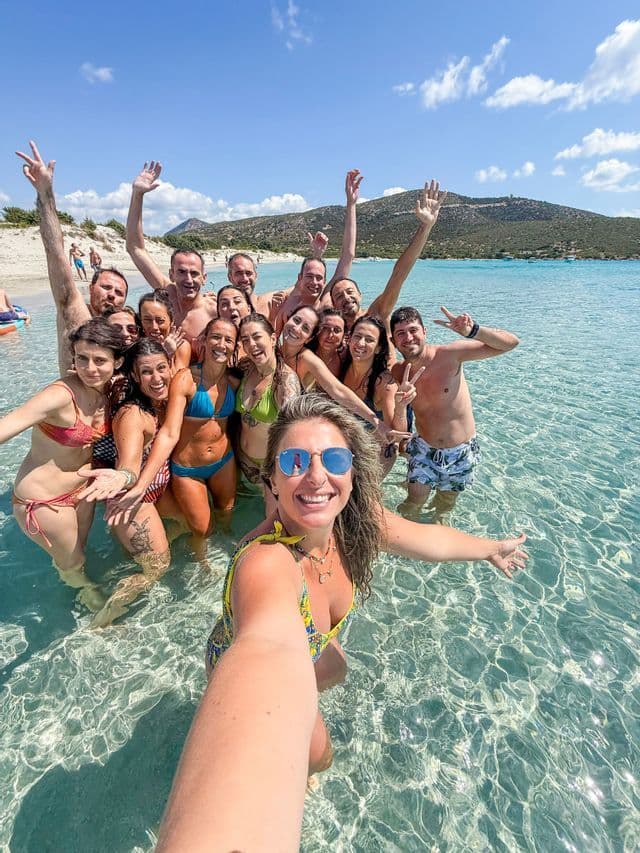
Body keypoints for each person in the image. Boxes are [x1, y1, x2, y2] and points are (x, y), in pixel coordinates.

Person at [156, 395, 528, 851]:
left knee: (334, 672)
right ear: (271, 478)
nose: (316, 476)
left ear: (353, 472)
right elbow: (266, 647)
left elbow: (429, 540)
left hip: (312, 646)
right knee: (319, 753)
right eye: (294, 461)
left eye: (333, 459)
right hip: (236, 653)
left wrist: (489, 547)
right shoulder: (268, 563)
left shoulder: (355, 524)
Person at [0, 318, 125, 609]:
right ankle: (97, 613)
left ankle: (75, 597)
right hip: (44, 500)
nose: (90, 368)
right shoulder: (59, 396)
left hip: (82, 492)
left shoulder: (109, 389)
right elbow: (8, 426)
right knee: (73, 563)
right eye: (82, 358)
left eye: (99, 360)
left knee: (79, 555)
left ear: (117, 362)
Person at [108, 318, 240, 549]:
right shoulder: (184, 379)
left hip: (224, 462)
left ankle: (226, 553)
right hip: (188, 470)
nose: (221, 344)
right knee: (201, 529)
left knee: (226, 514)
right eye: (215, 337)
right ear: (203, 341)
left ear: (235, 346)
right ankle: (202, 566)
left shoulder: (234, 381)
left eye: (228, 340)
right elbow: (169, 433)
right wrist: (139, 486)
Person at [78, 339, 183, 627]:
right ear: (135, 376)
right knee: (157, 568)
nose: (157, 378)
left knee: (182, 527)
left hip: (149, 495)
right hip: (132, 500)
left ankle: (127, 556)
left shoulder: (155, 403)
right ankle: (103, 620)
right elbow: (129, 465)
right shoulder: (133, 415)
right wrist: (124, 477)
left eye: (162, 368)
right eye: (147, 372)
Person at [391, 305, 520, 520]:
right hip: (424, 450)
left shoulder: (450, 355)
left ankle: (440, 532)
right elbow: (399, 427)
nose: (408, 337)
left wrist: (473, 331)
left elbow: (511, 343)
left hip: (460, 451)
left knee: (445, 504)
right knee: (413, 503)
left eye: (413, 330)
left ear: (425, 332)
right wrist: (400, 405)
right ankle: (401, 543)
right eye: (400, 333)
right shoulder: (398, 372)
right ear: (394, 340)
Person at [16, 141, 129, 374]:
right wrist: (45, 194)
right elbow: (55, 250)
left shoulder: (123, 331)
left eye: (119, 293)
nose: (112, 295)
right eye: (107, 287)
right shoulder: (75, 311)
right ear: (90, 288)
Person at [329, 180, 447, 338]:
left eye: (350, 292)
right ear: (333, 305)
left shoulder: (376, 314)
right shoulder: (333, 334)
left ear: (360, 295)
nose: (346, 297)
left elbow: (399, 274)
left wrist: (426, 227)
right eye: (339, 296)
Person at [126, 161, 217, 343]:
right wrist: (137, 195)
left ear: (204, 278)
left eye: (194, 273)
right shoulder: (166, 293)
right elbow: (135, 248)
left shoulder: (215, 311)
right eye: (181, 272)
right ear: (171, 274)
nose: (189, 280)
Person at [280, 307, 398, 441]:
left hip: (312, 428)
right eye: (295, 320)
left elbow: (338, 390)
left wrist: (376, 422)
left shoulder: (309, 359)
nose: (297, 329)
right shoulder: (273, 350)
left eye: (306, 328)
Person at [235, 313, 301, 491]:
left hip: (268, 472)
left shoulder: (286, 382)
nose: (252, 345)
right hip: (240, 464)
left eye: (257, 337)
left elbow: (294, 432)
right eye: (245, 340)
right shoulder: (247, 368)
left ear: (273, 339)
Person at [340, 315, 402, 476]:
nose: (361, 343)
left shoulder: (384, 384)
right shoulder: (341, 367)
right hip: (348, 449)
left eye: (369, 339)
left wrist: (401, 405)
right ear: (349, 339)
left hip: (376, 455)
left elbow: (393, 436)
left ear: (379, 348)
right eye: (357, 337)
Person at [138, 290, 191, 372]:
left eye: (160, 321)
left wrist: (168, 355)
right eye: (147, 320)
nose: (154, 327)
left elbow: (178, 381)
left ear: (172, 320)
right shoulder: (136, 346)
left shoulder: (181, 346)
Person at [309, 307, 346, 377]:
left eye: (337, 330)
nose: (330, 335)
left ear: (343, 335)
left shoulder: (345, 358)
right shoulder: (304, 354)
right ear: (317, 330)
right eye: (325, 328)